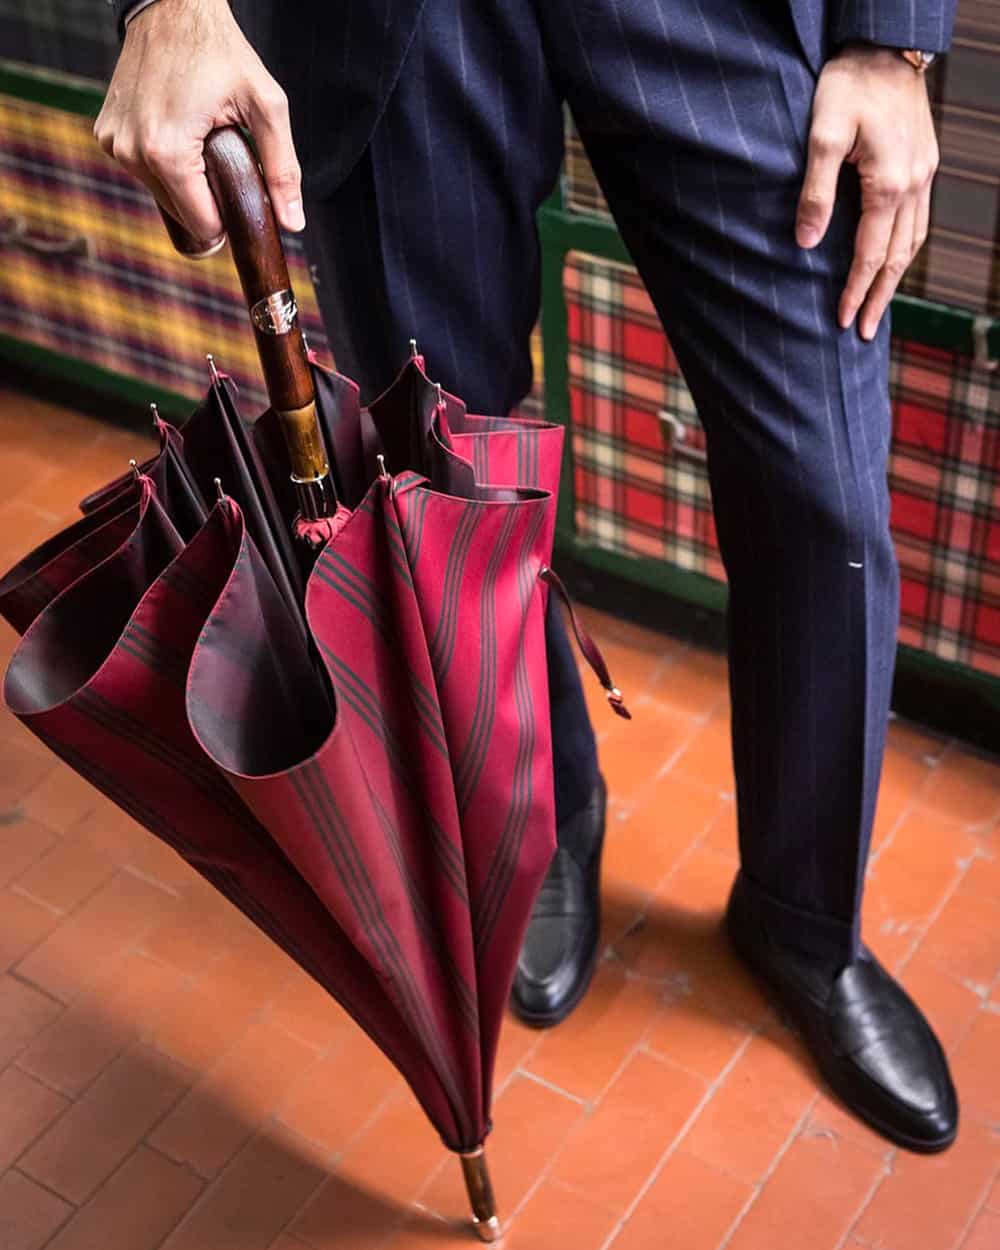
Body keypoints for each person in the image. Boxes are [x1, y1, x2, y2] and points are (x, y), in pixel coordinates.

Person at [98, 0, 959, 1152]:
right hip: (396, 28)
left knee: (827, 500)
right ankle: (547, 814)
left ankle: (805, 920)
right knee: (447, 483)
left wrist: (890, 38)